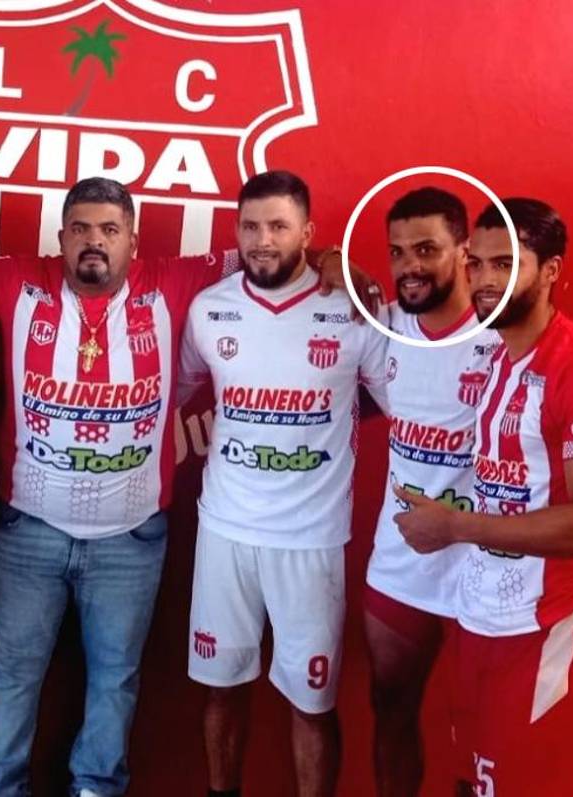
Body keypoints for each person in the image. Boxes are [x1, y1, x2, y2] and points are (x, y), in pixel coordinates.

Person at [0, 176, 379, 797]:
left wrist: (334, 260)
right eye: (82, 230)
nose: (95, 242)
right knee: (13, 674)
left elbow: (270, 256)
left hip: (131, 539)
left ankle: (94, 788)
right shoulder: (12, 280)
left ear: (133, 242)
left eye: (110, 231)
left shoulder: (176, 281)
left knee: (115, 680)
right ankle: (1, 790)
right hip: (29, 530)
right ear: (61, 237)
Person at [394, 198, 573, 796]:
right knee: (467, 784)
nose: (485, 280)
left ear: (551, 270)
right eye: (477, 264)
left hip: (546, 630)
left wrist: (455, 527)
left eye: (506, 264)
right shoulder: (501, 359)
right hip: (479, 622)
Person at [178, 170, 388, 797]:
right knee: (220, 689)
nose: (263, 240)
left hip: (311, 540)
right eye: (251, 226)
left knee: (312, 704)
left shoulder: (351, 308)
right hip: (225, 532)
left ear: (308, 232)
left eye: (278, 226)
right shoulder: (210, 309)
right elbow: (171, 392)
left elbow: (404, 401)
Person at [361, 187, 498, 796]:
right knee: (390, 705)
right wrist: (334, 261)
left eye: (426, 249)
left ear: (464, 252)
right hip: (402, 560)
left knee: (480, 727)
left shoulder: (504, 336)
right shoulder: (383, 325)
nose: (409, 265)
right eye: (397, 252)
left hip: (485, 561)